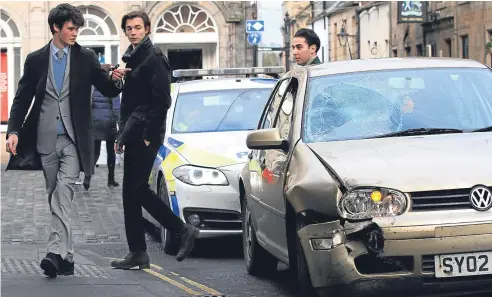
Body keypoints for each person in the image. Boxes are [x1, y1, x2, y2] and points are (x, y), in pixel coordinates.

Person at [5, 4, 127, 278]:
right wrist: (13, 130)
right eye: (71, 28)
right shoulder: (36, 59)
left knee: (64, 192)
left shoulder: (86, 57)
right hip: (45, 139)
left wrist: (116, 80)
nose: (75, 33)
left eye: (77, 29)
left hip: (74, 139)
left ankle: (53, 254)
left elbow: (106, 86)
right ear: (55, 28)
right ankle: (68, 257)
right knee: (55, 197)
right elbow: (23, 97)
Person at [110, 10, 198, 270]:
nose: (133, 31)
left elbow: (162, 101)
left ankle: (182, 229)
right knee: (129, 194)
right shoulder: (133, 58)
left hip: (145, 134)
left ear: (147, 29)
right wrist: (123, 133)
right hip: (132, 131)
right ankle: (137, 252)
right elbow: (132, 101)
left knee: (138, 190)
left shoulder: (154, 58)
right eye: (129, 28)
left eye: (137, 27)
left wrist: (149, 136)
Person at [83, 64, 121, 189]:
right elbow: (116, 108)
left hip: (95, 123)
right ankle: (111, 179)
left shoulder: (93, 87)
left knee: (95, 152)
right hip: (109, 124)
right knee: (111, 152)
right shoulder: (112, 86)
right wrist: (120, 123)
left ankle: (87, 178)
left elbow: (87, 105)